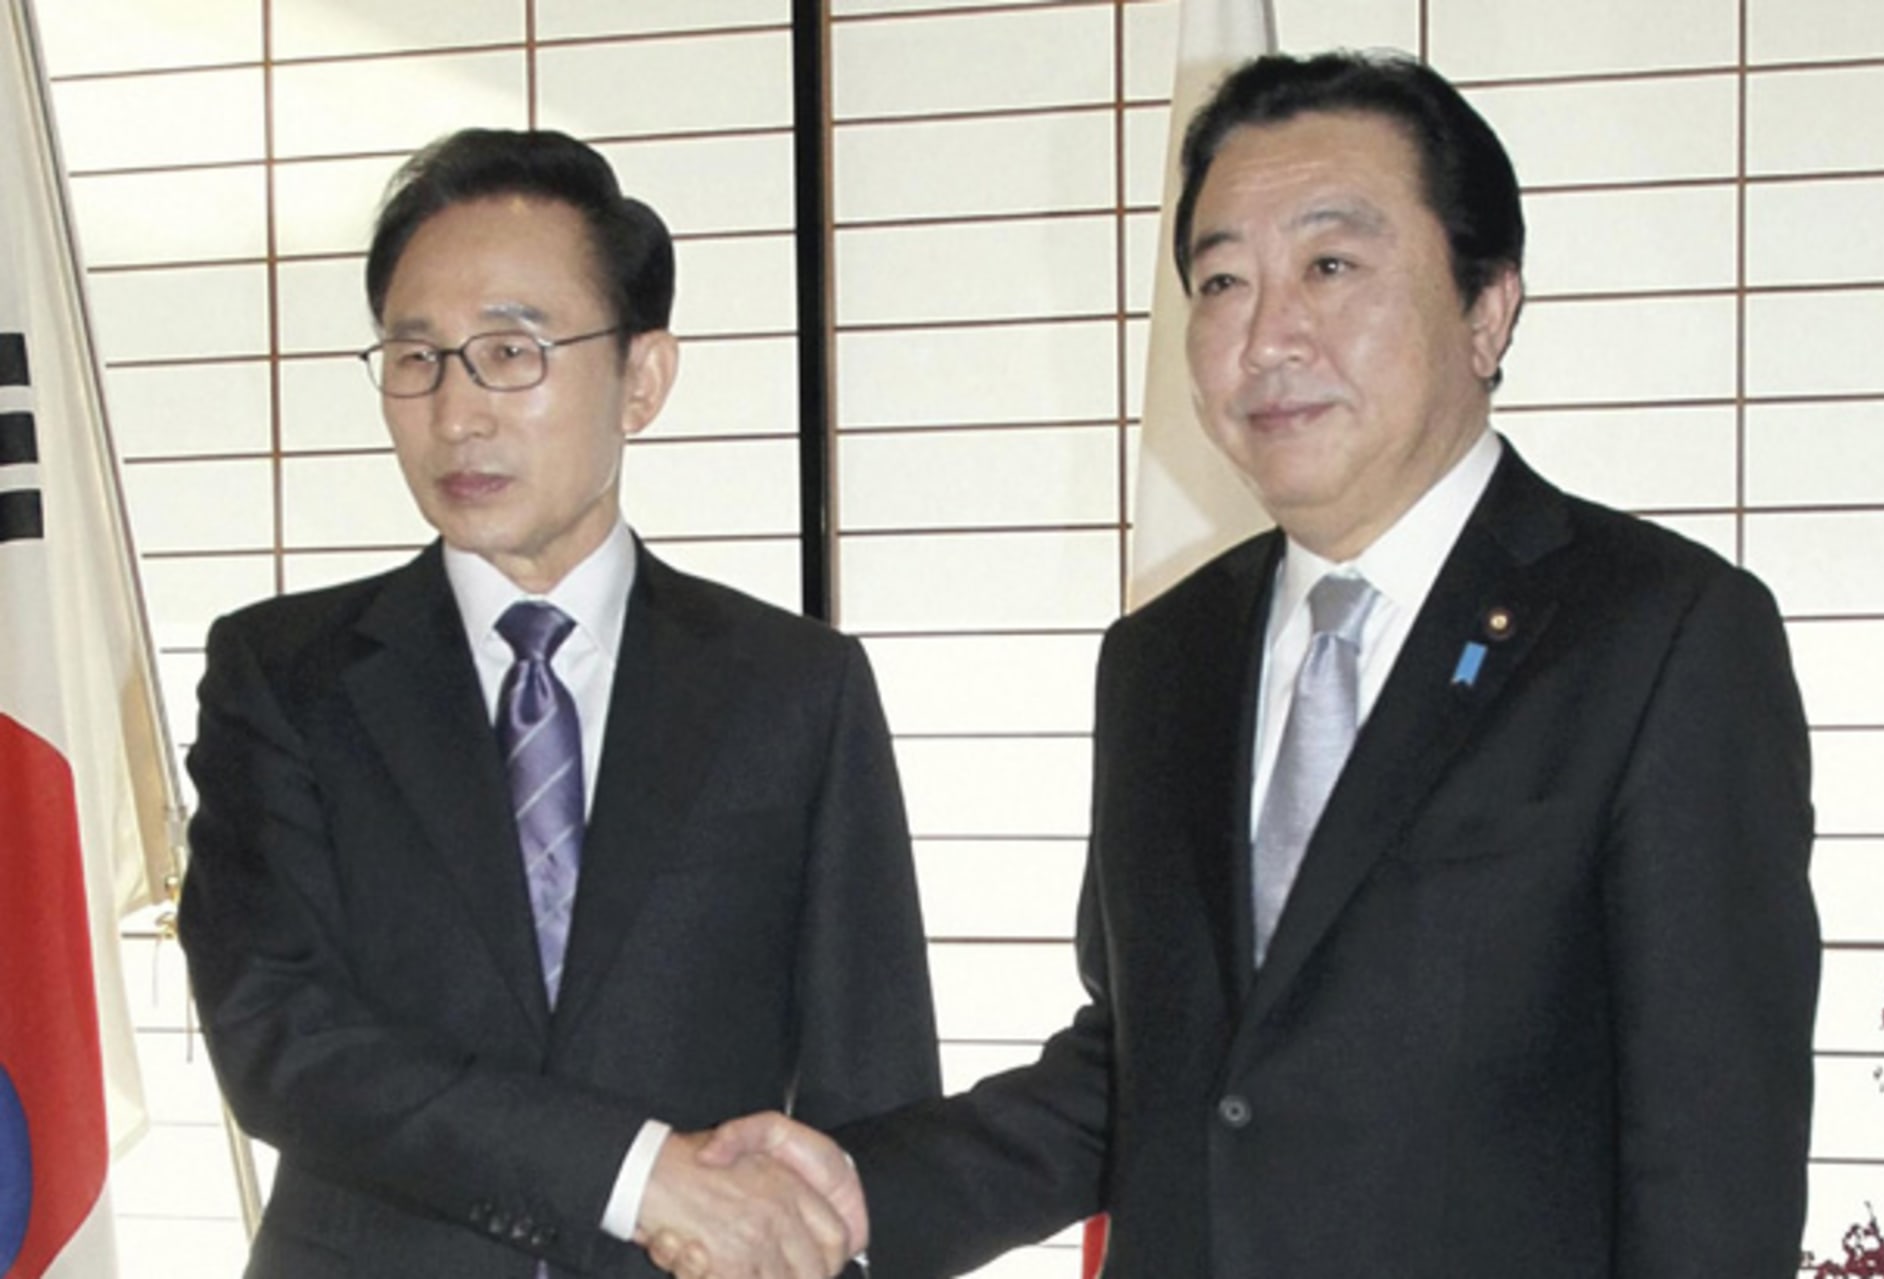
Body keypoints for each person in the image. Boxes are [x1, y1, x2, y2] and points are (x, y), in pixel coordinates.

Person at [665, 50, 1821, 1278]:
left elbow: (1714, 1161)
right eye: (1222, 281)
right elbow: (1154, 1067)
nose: (1268, 336)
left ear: (1487, 307)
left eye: (1330, 266)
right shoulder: (1163, 658)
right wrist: (863, 1193)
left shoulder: (1663, 634)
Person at [177, 127, 939, 1279]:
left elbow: (872, 1090)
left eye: (511, 352)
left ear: (642, 377)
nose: (457, 413)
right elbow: (279, 1037)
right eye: (416, 356)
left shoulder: (795, 687)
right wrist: (635, 1174)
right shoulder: (285, 674)